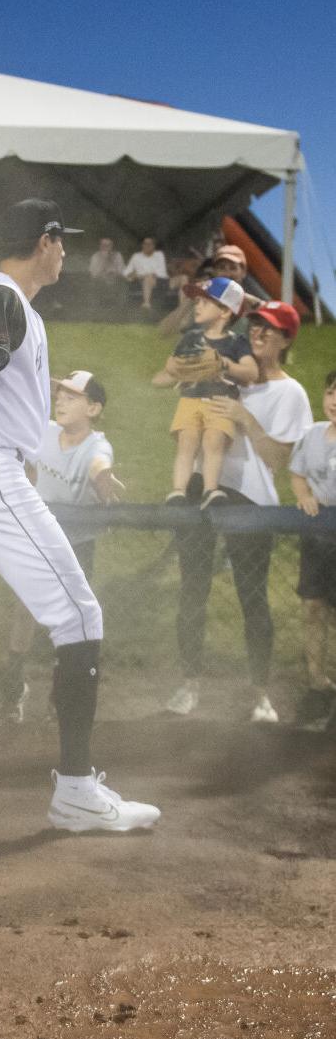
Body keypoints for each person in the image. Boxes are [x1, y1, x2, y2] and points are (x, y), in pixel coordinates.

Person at [0, 198, 159, 833]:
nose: (65, 251)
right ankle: (77, 790)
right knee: (80, 615)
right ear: (43, 241)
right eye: (61, 239)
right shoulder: (3, 298)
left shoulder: (3, 301)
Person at [164, 300, 311, 722]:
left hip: (251, 500)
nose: (259, 333)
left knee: (252, 596)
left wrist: (245, 417)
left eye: (270, 329)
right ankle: (189, 685)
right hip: (202, 490)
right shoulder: (227, 370)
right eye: (256, 325)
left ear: (286, 340)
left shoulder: (290, 392)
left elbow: (277, 460)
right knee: (192, 589)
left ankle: (260, 695)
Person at [0, 371, 124, 722]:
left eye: (73, 397)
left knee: (70, 617)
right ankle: (13, 690)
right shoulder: (45, 432)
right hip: (37, 540)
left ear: (94, 408)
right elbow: (25, 462)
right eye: (61, 394)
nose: (61, 400)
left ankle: (60, 692)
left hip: (76, 546)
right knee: (23, 610)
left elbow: (101, 466)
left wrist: (103, 480)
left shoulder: (96, 446)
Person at [152, 278, 258, 508]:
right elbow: (170, 366)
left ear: (224, 311)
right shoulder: (191, 338)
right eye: (197, 301)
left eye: (205, 302)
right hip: (190, 400)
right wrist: (184, 369)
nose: (197, 305)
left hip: (220, 402)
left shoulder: (236, 342)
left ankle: (211, 491)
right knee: (186, 443)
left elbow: (251, 371)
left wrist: (225, 364)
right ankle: (178, 491)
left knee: (213, 441)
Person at [288, 369, 336, 730]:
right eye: (332, 392)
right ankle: (317, 682)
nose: (334, 401)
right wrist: (303, 495)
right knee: (313, 607)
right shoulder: (312, 435)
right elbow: (298, 473)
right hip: (317, 538)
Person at [123, 235, 168, 312]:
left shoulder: (159, 254)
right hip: (143, 281)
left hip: (162, 281)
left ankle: (182, 309)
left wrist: (142, 274)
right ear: (142, 245)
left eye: (150, 244)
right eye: (145, 244)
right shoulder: (136, 256)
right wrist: (132, 275)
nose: (147, 246)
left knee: (183, 278)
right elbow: (126, 272)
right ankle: (146, 304)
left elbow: (162, 272)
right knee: (148, 277)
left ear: (153, 246)